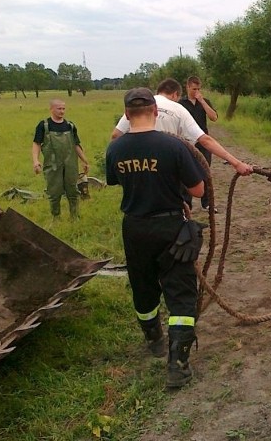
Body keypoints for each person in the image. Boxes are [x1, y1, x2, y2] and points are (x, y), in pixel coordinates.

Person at [106, 87, 205, 389]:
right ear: (155, 111)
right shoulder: (172, 146)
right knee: (181, 293)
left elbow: (115, 181)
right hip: (171, 228)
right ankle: (177, 364)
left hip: (134, 228)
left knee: (143, 288)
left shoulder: (115, 149)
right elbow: (199, 190)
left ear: (126, 114)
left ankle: (153, 339)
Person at [111, 78, 253, 208]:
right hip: (169, 168)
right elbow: (205, 140)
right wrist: (236, 163)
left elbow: (116, 135)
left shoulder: (137, 106)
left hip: (137, 176)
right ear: (175, 95)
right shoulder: (178, 109)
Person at [31, 98, 90, 219]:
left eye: (63, 108)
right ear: (51, 109)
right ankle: (56, 217)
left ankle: (75, 216)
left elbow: (76, 145)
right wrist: (36, 161)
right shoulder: (44, 126)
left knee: (73, 191)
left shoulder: (70, 126)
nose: (62, 111)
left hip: (70, 164)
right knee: (54, 192)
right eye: (59, 108)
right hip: (52, 165)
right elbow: (36, 144)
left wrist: (85, 161)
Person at [179, 76, 219, 212]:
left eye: (198, 89)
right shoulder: (181, 103)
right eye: (194, 89)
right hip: (187, 141)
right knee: (186, 171)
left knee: (205, 170)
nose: (196, 91)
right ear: (187, 87)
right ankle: (186, 203)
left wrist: (202, 101)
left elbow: (214, 117)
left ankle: (207, 203)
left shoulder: (204, 102)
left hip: (202, 139)